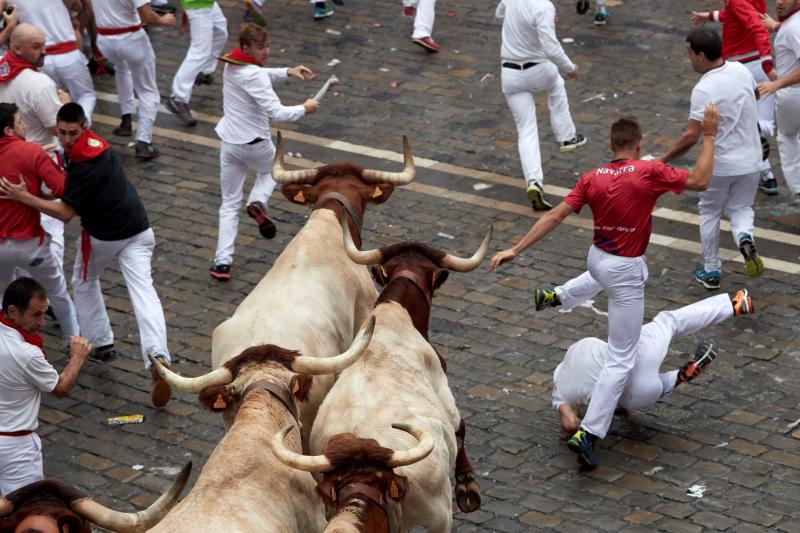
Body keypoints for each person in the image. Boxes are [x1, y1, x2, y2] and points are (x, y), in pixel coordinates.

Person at [487, 107, 719, 469]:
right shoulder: (650, 170)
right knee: (622, 356)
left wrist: (515, 249)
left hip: (598, 258)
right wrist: (709, 135)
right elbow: (702, 180)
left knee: (616, 275)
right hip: (623, 269)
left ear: (612, 145)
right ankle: (590, 432)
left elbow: (554, 216)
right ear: (638, 145)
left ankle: (561, 296)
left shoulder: (591, 177)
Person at [0, 103, 174, 408]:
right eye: (63, 132)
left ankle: (100, 341)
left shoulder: (82, 165)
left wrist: (23, 196)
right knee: (144, 292)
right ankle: (158, 356)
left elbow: (65, 212)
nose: (66, 139)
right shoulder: (99, 146)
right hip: (139, 229)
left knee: (83, 282)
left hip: (103, 237)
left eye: (72, 133)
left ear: (84, 127)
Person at [554, 290, 753, 436]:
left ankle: (678, 377)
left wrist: (589, 424)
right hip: (637, 355)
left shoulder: (562, 396)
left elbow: (570, 424)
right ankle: (733, 306)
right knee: (669, 322)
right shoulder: (577, 351)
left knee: (626, 394)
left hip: (640, 393)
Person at [210, 23, 319, 281]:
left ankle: (221, 262)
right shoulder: (254, 75)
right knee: (274, 171)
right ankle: (257, 202)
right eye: (261, 48)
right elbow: (277, 112)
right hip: (255, 144)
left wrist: (288, 72)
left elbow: (259, 74)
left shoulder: (231, 66)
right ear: (247, 48)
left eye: (267, 46)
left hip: (229, 144)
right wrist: (305, 107)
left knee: (228, 203)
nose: (266, 52)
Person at [661, 29, 765, 290]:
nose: (688, 58)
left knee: (709, 211)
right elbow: (756, 96)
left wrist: (665, 158)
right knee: (741, 208)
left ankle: (711, 271)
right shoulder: (742, 71)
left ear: (702, 56)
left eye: (690, 53)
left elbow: (691, 136)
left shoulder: (704, 88)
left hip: (719, 164)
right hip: (752, 159)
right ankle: (744, 237)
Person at [0, 277, 91, 496]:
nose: (43, 322)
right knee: (26, 513)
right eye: (36, 314)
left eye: (44, 312)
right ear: (12, 311)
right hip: (16, 449)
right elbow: (60, 388)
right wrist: (77, 358)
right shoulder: (27, 354)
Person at [496, 0, 586, 212]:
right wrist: (570, 67)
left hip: (510, 74)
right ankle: (566, 136)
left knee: (526, 129)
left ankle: (534, 181)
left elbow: (500, 13)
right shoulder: (543, 6)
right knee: (557, 84)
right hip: (538, 70)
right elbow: (551, 47)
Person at [0, 103, 78, 343]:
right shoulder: (31, 152)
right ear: (8, 130)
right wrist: (41, 160)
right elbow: (62, 188)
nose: (24, 125)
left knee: (3, 294)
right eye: (20, 121)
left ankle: (8, 345)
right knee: (57, 293)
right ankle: (74, 341)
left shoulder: (29, 150)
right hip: (30, 245)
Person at [691, 0, 780, 196]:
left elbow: (756, 25)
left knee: (742, 124)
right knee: (765, 124)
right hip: (757, 66)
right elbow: (736, 16)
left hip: (742, 68)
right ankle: (767, 176)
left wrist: (768, 64)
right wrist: (711, 15)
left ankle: (762, 171)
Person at [0, 23, 69, 270]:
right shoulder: (38, 84)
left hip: (6, 160)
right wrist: (65, 103)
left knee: (12, 223)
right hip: (39, 162)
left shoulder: (1, 68)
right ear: (17, 48)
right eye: (37, 47)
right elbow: (58, 127)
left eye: (43, 45)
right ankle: (51, 282)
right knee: (52, 224)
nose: (44, 52)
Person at [90, 0, 176, 159]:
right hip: (131, 39)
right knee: (148, 90)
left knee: (122, 69)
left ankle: (126, 118)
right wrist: (165, 20)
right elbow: (148, 16)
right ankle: (143, 141)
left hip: (105, 39)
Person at [8, 0, 97, 122]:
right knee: (86, 95)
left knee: (52, 101)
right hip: (68, 55)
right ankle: (80, 125)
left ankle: (67, 130)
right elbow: (79, 6)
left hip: (40, 58)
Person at [758, 0, 800, 204]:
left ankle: (799, 190)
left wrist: (777, 84)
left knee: (787, 137)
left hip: (792, 94)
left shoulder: (793, 29)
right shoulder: (792, 24)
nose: (779, 2)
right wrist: (775, 26)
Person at [165, 0, 227, 126]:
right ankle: (178, 98)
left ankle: (203, 72)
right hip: (197, 3)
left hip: (207, 3)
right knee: (199, 51)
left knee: (220, 34)